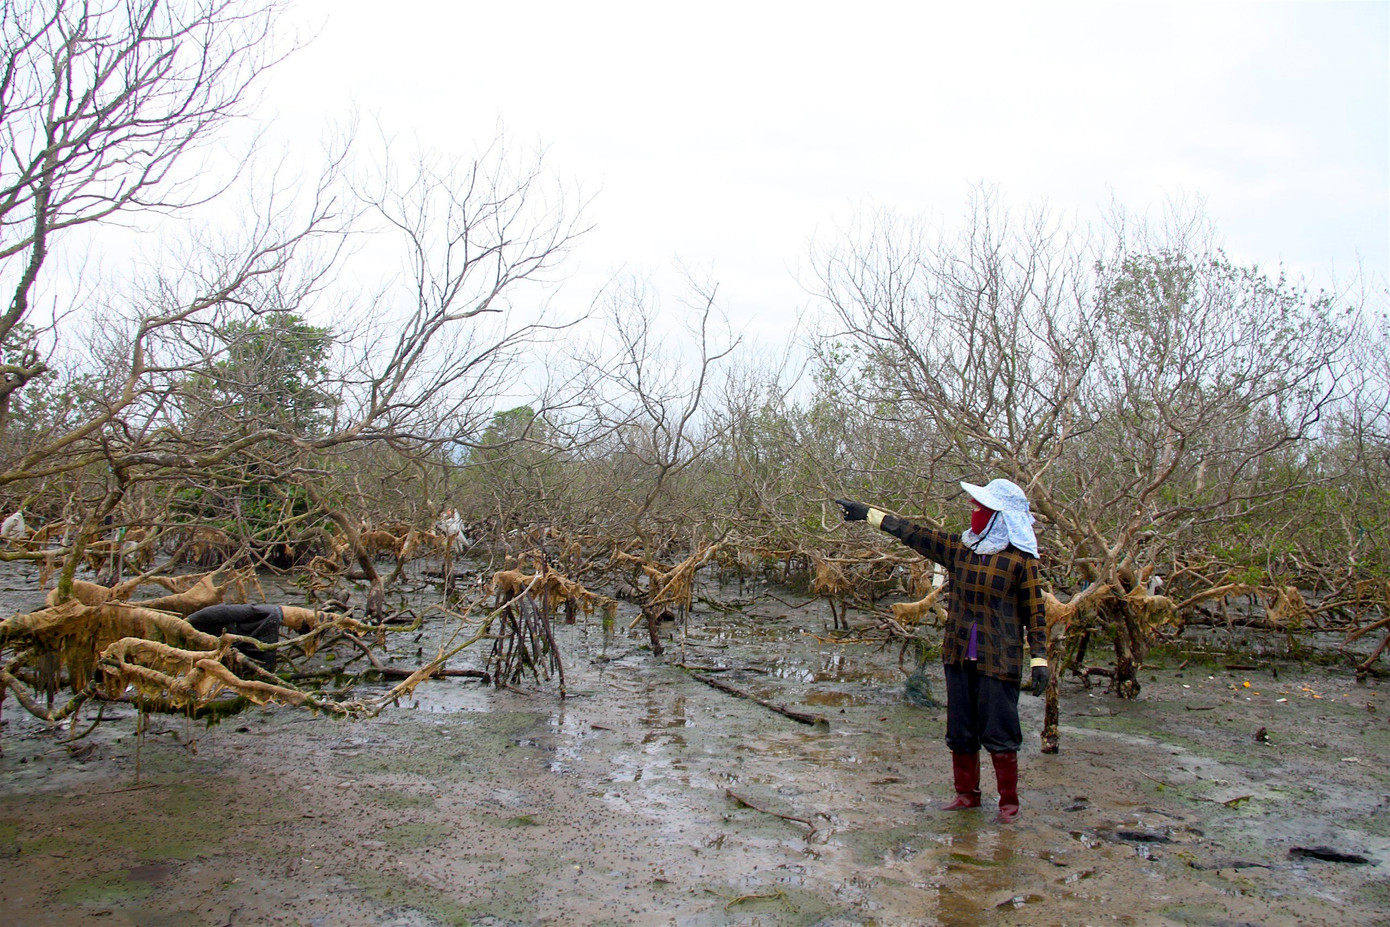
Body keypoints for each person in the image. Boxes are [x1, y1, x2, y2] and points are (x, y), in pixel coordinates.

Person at [836, 478, 1048, 824]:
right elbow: (914, 533)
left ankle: (1009, 804)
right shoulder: (961, 547)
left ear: (1001, 516)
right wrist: (867, 514)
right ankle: (967, 796)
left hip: (1000, 657)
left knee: (1000, 729)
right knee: (961, 727)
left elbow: (1035, 613)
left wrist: (1040, 659)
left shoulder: (1021, 561)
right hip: (960, 652)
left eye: (982, 509)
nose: (974, 512)